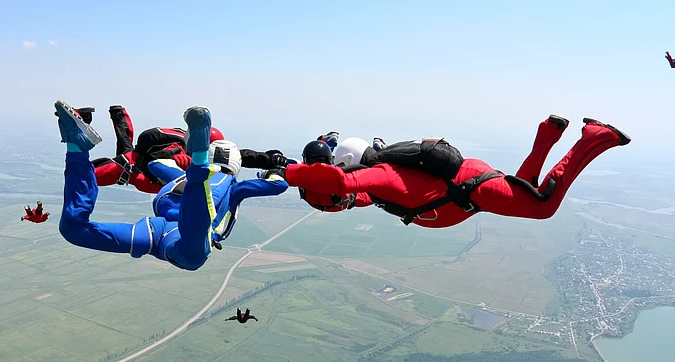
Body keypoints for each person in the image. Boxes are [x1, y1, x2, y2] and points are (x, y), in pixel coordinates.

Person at [264, 116, 630, 228]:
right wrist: (308, 185)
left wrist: (290, 173)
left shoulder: (380, 174)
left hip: (472, 188)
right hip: (472, 185)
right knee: (526, 190)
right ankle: (547, 134)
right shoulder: (379, 187)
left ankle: (592, 138)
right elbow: (346, 198)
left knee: (542, 206)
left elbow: (342, 183)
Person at [54, 100, 289, 270]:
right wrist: (274, 171)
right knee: (192, 255)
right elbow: (278, 185)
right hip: (178, 232)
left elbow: (156, 164)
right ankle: (76, 148)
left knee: (73, 229)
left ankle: (77, 147)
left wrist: (174, 161)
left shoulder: (178, 173)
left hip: (159, 229)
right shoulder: (234, 187)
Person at [90, 105, 292, 193]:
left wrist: (271, 159)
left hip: (140, 170)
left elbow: (243, 156)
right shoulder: (179, 150)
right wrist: (172, 161)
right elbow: (150, 161)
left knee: (124, 153)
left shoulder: (209, 151)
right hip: (135, 169)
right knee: (90, 176)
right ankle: (115, 115)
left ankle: (118, 113)